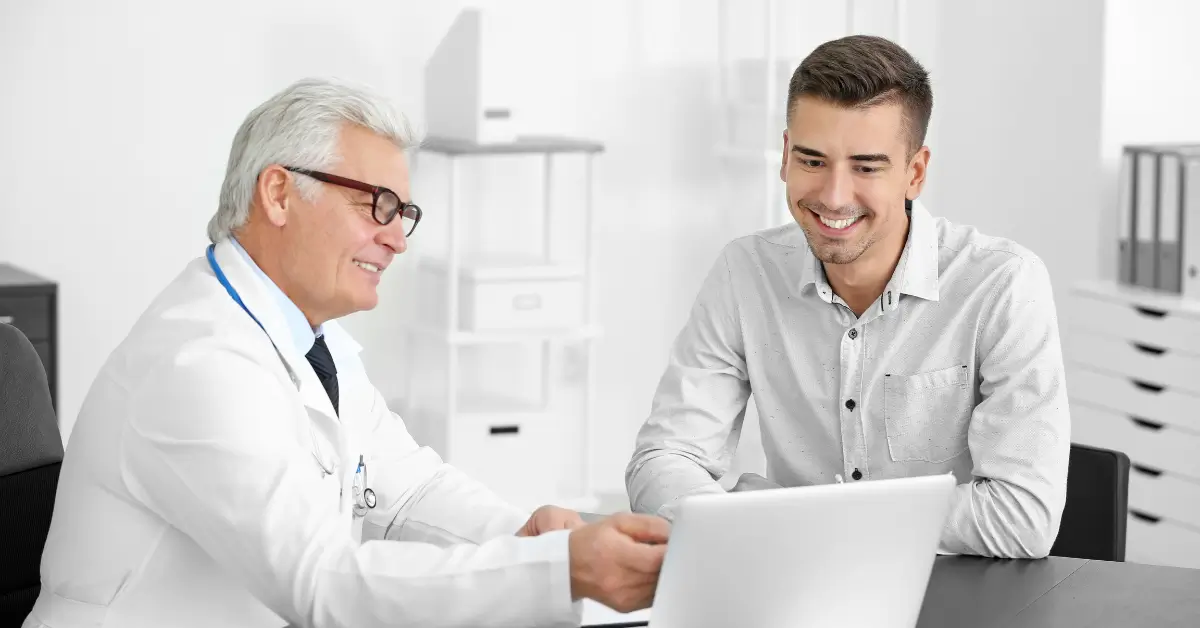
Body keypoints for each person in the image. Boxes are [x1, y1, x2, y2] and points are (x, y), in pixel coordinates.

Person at [26, 77, 669, 628]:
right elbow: (322, 584)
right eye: (376, 205)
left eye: (404, 212)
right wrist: (555, 571)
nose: (397, 239)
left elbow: (408, 491)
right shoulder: (196, 362)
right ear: (278, 194)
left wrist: (527, 534)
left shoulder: (314, 340)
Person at [625, 35, 1069, 559]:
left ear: (915, 172)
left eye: (866, 167)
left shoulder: (1002, 285)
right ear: (786, 156)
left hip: (953, 596)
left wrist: (798, 517)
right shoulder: (745, 272)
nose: (834, 196)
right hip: (795, 589)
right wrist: (732, 525)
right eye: (813, 161)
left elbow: (1022, 519)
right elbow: (663, 456)